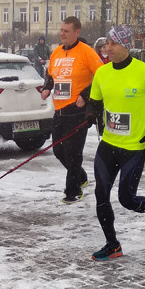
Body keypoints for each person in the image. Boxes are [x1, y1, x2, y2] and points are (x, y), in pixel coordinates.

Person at [85, 24, 145, 260]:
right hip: (108, 145)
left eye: (113, 43)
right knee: (101, 195)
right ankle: (112, 244)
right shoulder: (102, 73)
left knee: (126, 199)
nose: (107, 48)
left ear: (126, 45)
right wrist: (90, 115)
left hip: (134, 148)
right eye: (107, 43)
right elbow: (95, 102)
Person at [40, 16, 103, 203]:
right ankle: (80, 176)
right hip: (59, 110)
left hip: (77, 110)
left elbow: (101, 76)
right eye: (61, 30)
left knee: (73, 153)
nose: (62, 34)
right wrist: (47, 87)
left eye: (66, 31)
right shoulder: (57, 52)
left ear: (77, 32)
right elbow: (51, 75)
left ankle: (73, 191)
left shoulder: (86, 52)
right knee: (58, 151)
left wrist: (85, 94)